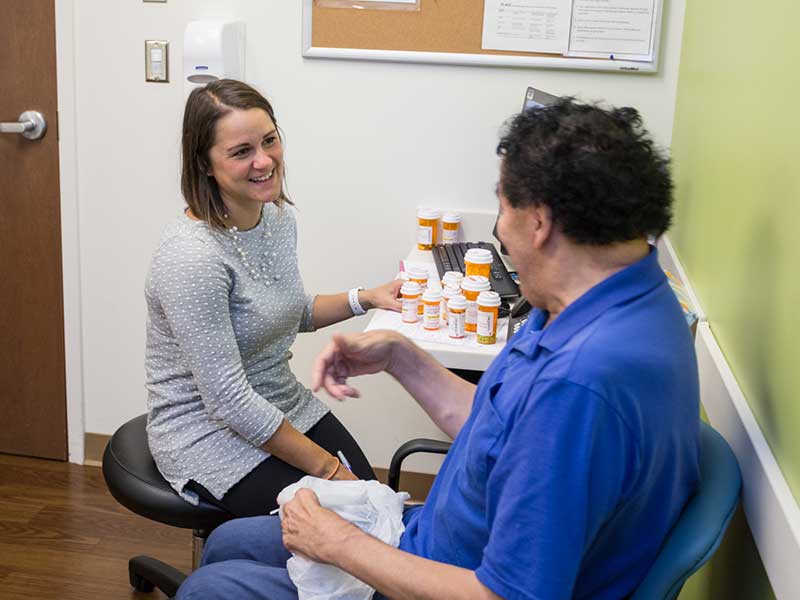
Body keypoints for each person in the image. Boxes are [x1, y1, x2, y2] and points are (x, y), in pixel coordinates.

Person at [175, 98, 701, 600]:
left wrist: (339, 544)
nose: (499, 231)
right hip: (434, 540)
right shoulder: (611, 301)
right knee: (228, 542)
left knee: (206, 589)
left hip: (445, 578)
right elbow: (501, 427)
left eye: (502, 206)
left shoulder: (580, 386)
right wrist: (402, 356)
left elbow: (504, 595)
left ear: (539, 222)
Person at [145, 79, 402, 517]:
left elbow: (286, 311)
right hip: (206, 430)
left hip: (277, 401)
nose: (264, 161)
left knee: (375, 505)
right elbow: (228, 401)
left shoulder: (277, 218)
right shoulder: (192, 258)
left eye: (269, 141)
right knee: (354, 516)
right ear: (205, 164)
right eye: (241, 151)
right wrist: (328, 470)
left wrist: (367, 298)